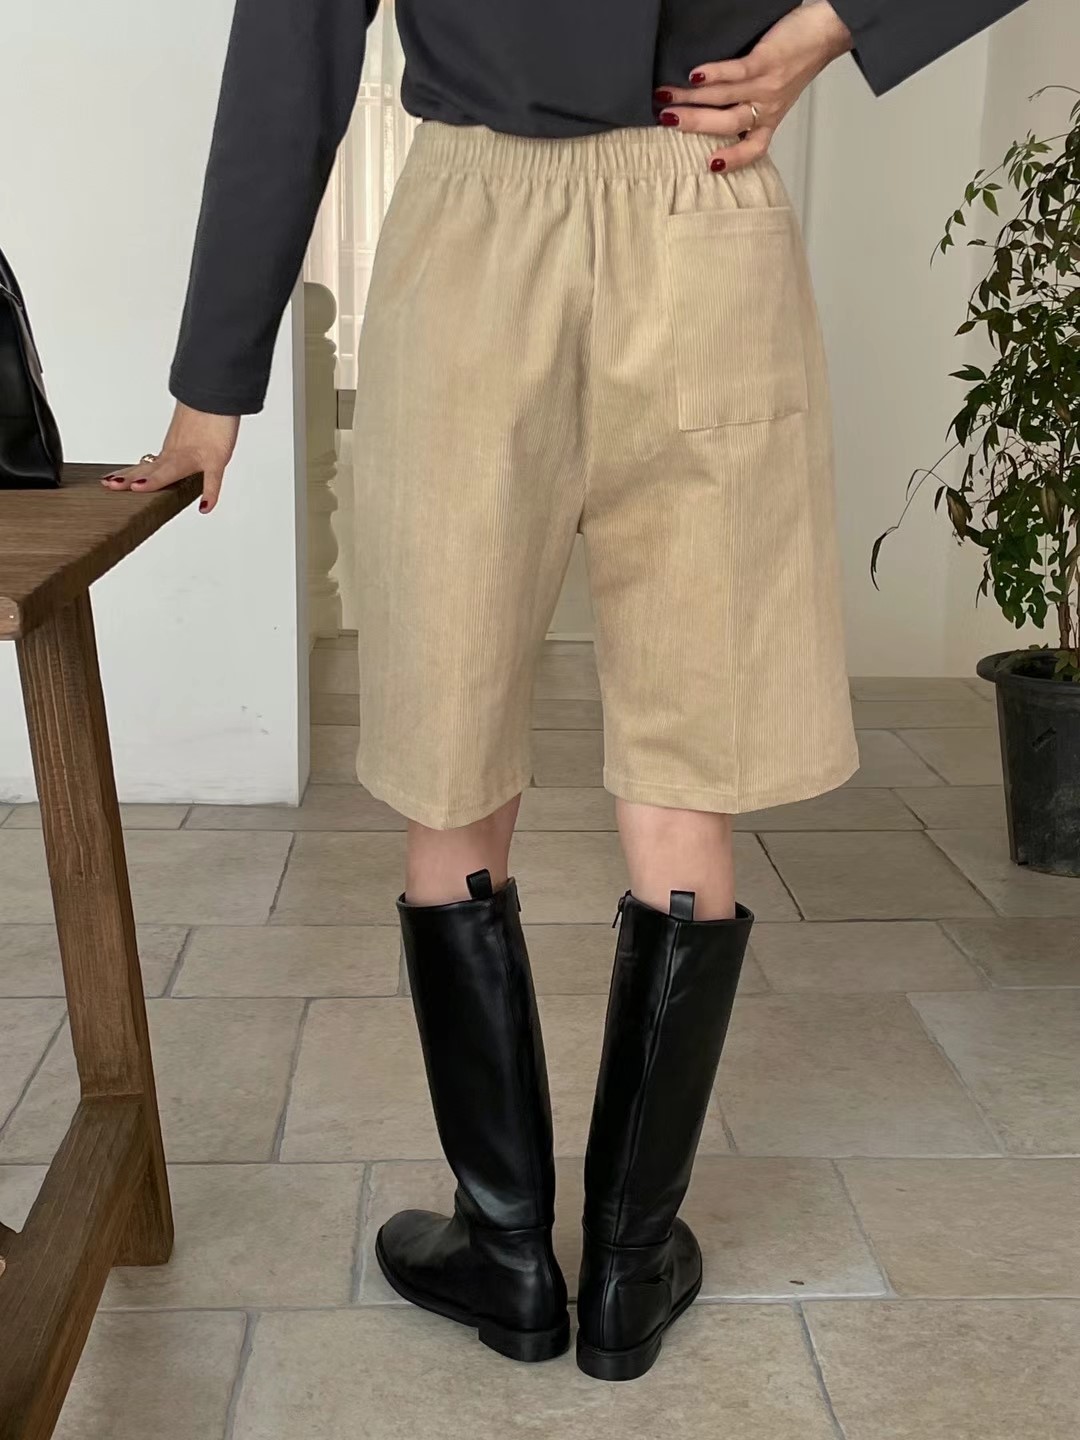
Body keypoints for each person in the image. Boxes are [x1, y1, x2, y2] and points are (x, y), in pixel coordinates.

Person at [103, 0, 1028, 1382]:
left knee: (450, 756)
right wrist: (825, 29)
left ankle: (509, 1255)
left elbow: (295, 45)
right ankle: (630, 1269)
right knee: (689, 767)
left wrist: (211, 382)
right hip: (704, 211)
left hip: (474, 236)